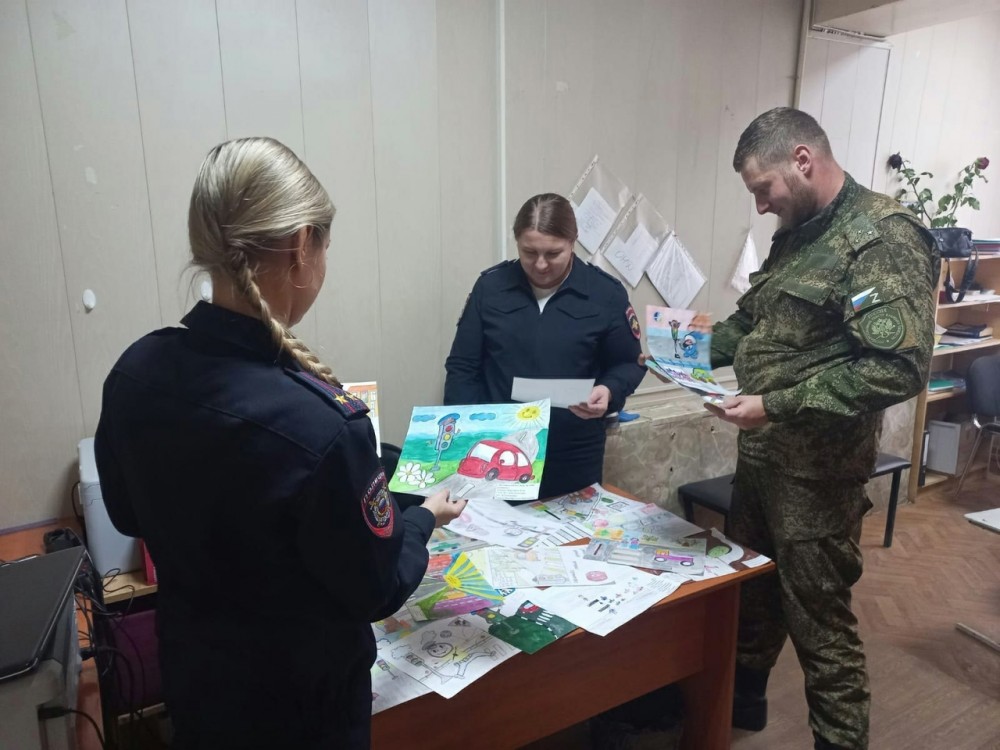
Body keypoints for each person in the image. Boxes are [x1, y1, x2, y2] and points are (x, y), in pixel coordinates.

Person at [94, 137, 466, 750]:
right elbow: (377, 587)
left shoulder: (137, 371)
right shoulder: (325, 425)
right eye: (325, 247)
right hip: (301, 713)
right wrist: (424, 518)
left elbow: (128, 515)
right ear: (301, 247)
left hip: (197, 687)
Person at [669, 108, 937, 750]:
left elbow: (899, 368)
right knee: (752, 593)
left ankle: (839, 739)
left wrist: (777, 405)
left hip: (818, 477)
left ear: (802, 160)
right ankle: (738, 709)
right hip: (762, 459)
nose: (761, 206)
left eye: (764, 189)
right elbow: (751, 323)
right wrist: (672, 350)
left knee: (821, 622)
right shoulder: (797, 233)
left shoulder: (883, 237)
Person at [444, 192, 646, 499]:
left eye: (553, 253)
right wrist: (466, 435)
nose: (540, 264)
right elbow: (463, 367)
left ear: (573, 242)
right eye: (529, 252)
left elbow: (629, 363)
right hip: (499, 448)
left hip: (573, 452)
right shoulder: (492, 287)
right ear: (517, 242)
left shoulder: (605, 294)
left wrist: (609, 391)